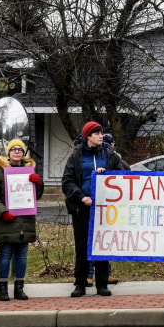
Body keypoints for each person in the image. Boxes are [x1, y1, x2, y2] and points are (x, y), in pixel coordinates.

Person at [62, 121, 125, 297]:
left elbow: (124, 176)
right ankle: (80, 284)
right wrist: (81, 197)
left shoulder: (110, 154)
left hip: (105, 209)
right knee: (82, 246)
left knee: (102, 245)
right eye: (96, 133)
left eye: (101, 133)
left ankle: (102, 284)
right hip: (82, 209)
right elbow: (67, 181)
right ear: (87, 136)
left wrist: (109, 174)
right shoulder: (76, 156)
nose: (100, 136)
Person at [0, 139, 44, 301]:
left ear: (24, 153)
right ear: (9, 153)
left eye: (20, 149)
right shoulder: (0, 172)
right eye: (14, 149)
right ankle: (3, 288)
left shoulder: (29, 171)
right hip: (7, 220)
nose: (17, 152)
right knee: (5, 255)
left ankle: (19, 288)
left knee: (22, 256)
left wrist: (38, 183)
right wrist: (3, 212)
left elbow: (37, 196)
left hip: (24, 221)